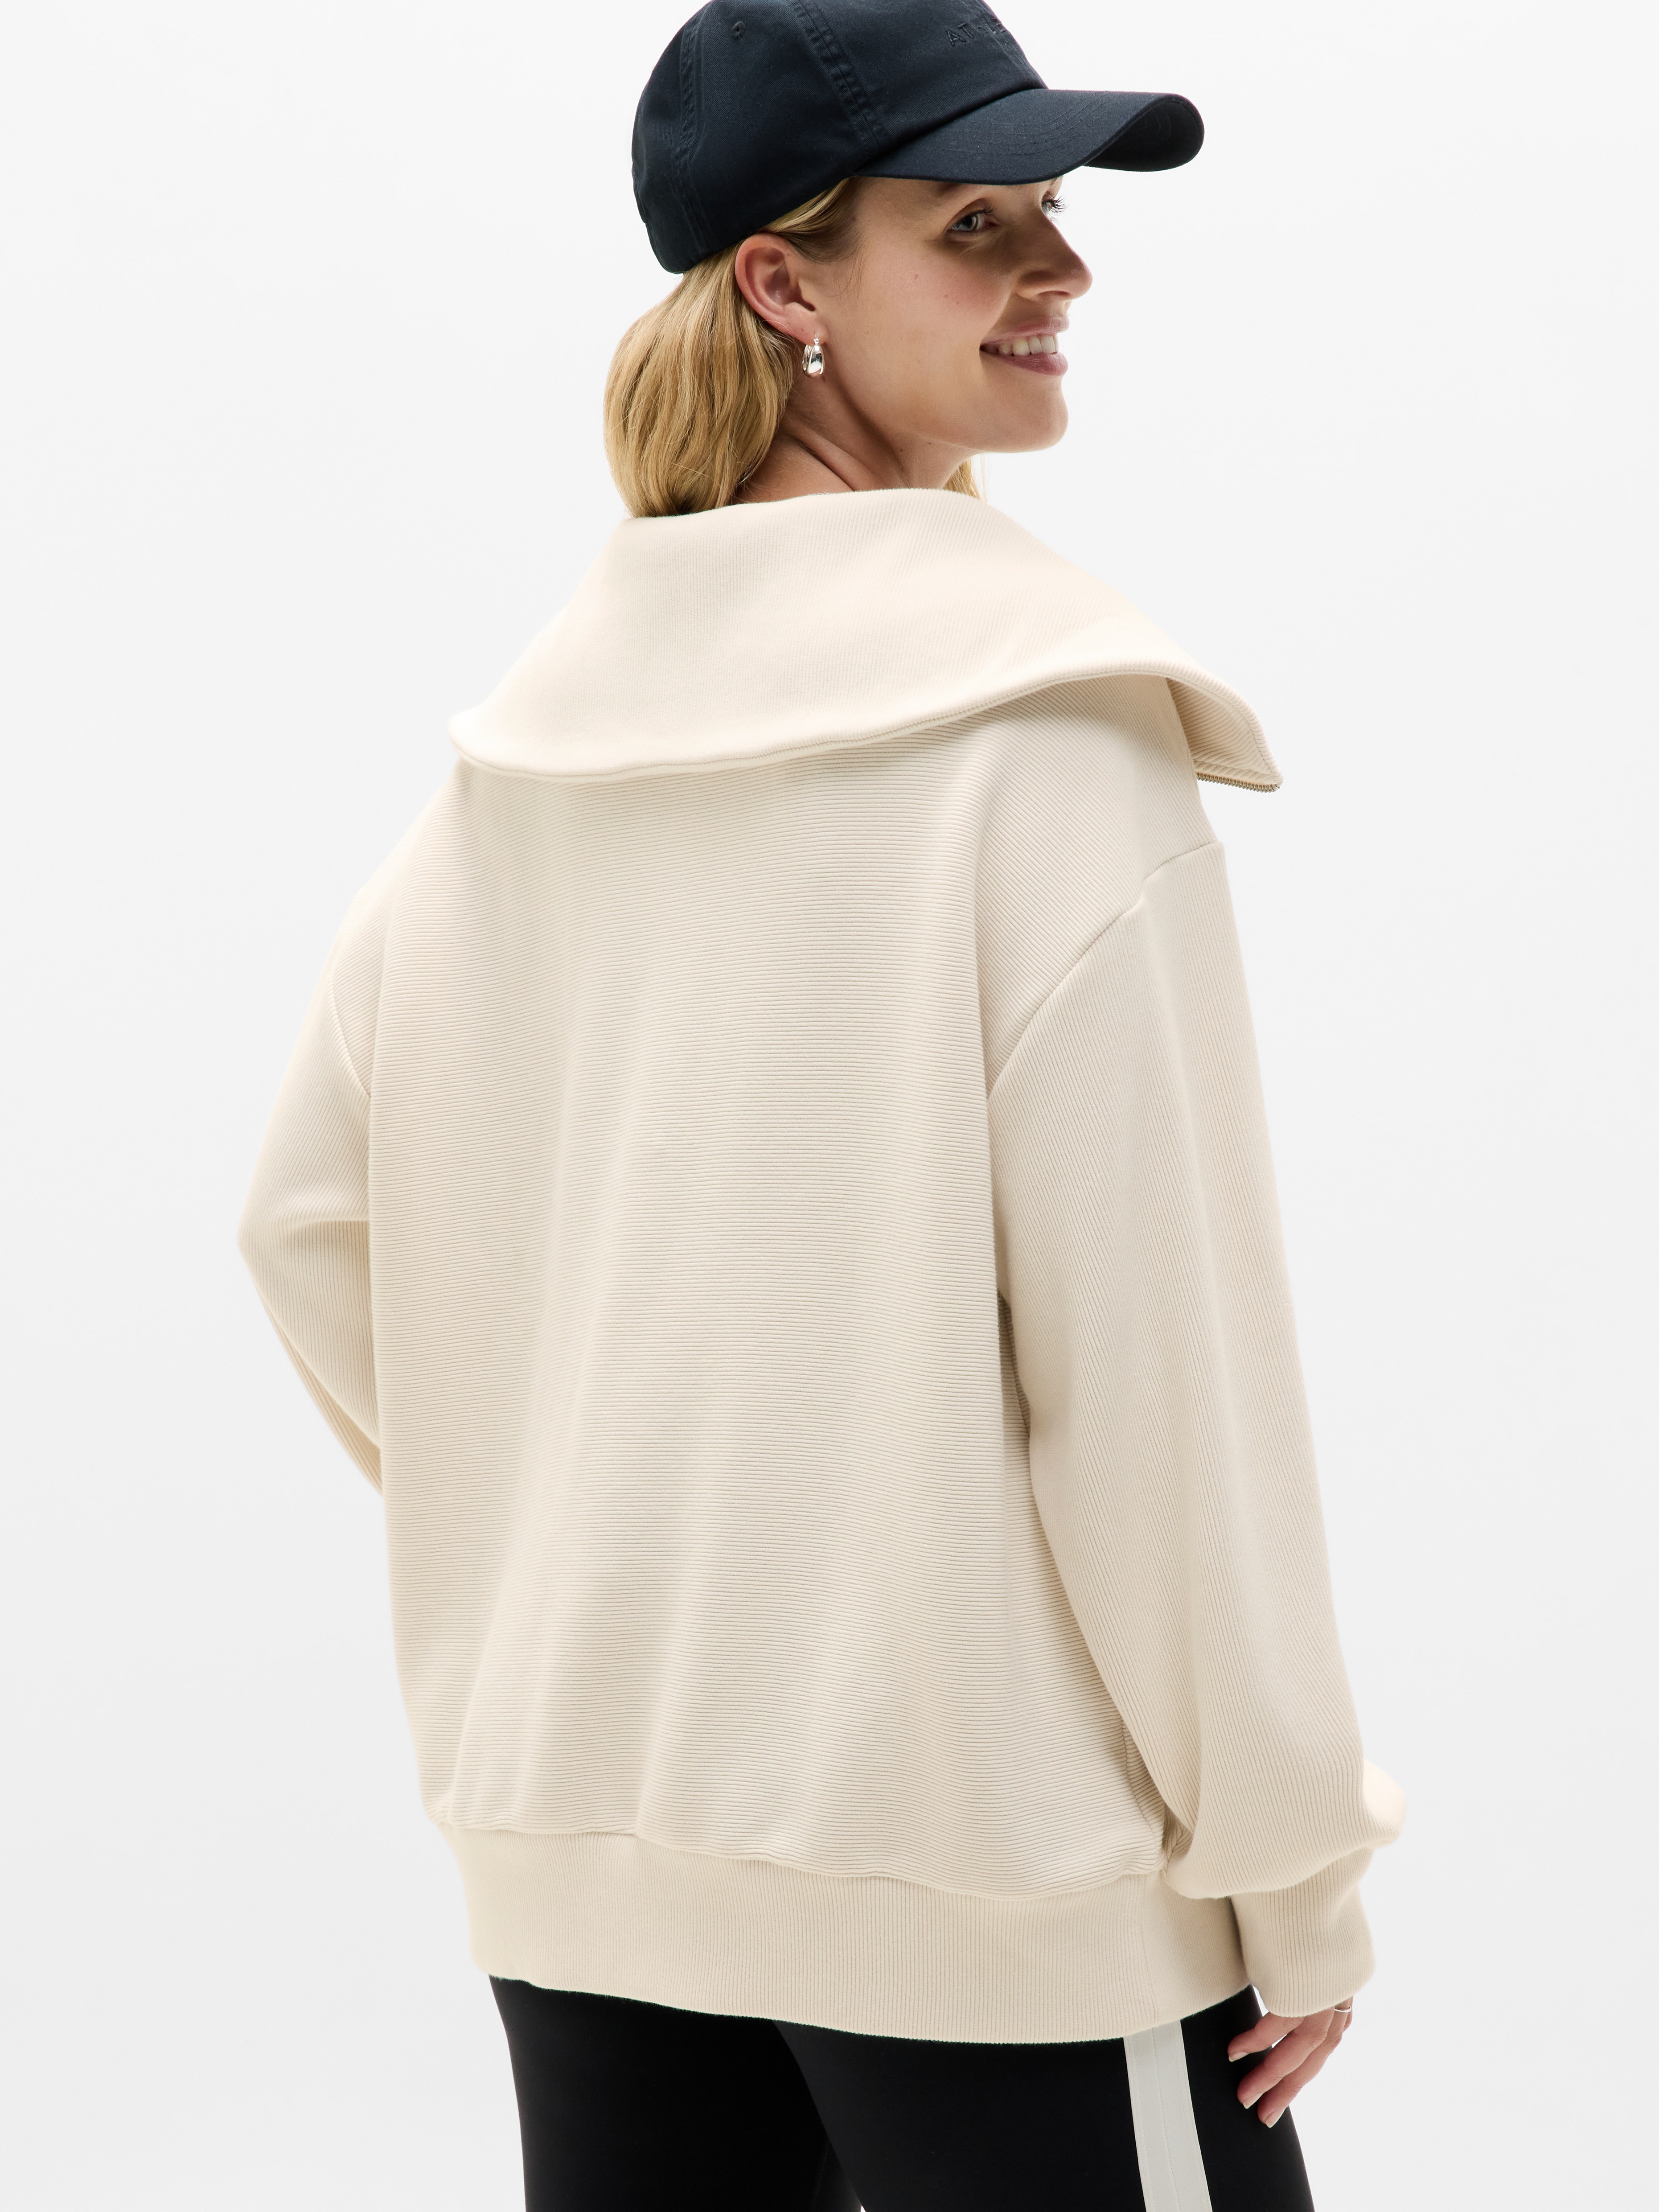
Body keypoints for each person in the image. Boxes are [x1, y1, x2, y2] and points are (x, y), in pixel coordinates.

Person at [238, 3, 1404, 2205]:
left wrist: (611, 1518)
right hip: (984, 1878)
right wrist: (1289, 1866)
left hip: (588, 1852)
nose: (1063, 271)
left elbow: (306, 1223)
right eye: (979, 226)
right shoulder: (1041, 744)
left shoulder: (514, 771)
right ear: (783, 283)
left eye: (1054, 215)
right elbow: (1160, 1383)